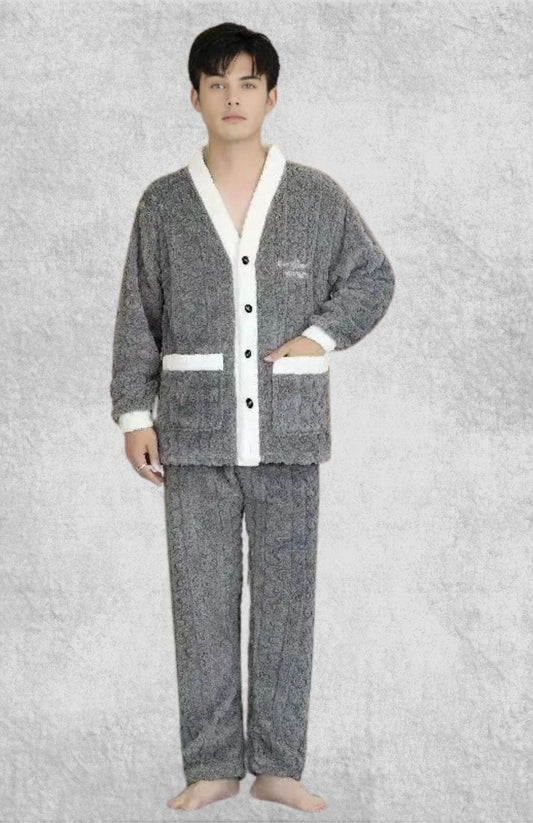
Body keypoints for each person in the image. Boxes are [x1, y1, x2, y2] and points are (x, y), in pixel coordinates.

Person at [110, 21, 395, 814]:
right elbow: (139, 312)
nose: (231, 97)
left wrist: (317, 337)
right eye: (216, 83)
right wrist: (134, 413)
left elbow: (372, 277)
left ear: (271, 96)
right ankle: (210, 765)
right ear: (194, 97)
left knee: (285, 605)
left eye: (246, 83)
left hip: (287, 435)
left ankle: (276, 764)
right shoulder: (164, 204)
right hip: (193, 436)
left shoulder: (315, 197)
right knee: (199, 602)